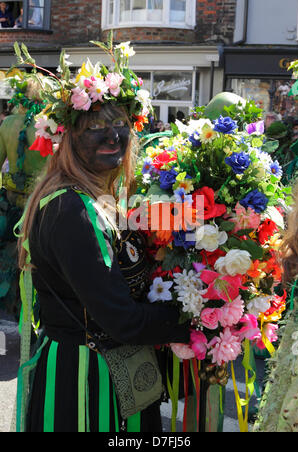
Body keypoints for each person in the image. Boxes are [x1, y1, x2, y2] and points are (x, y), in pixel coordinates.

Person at [14, 41, 190, 433]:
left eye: (121, 126)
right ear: (70, 139)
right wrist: (195, 318)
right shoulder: (72, 210)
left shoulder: (102, 199)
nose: (113, 137)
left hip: (115, 371)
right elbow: (120, 320)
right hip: (85, 379)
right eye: (94, 128)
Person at [0, 76, 47, 316]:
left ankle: (10, 312)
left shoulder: (7, 124)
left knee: (9, 261)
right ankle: (30, 314)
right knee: (35, 265)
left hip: (10, 206)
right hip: (41, 207)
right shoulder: (48, 125)